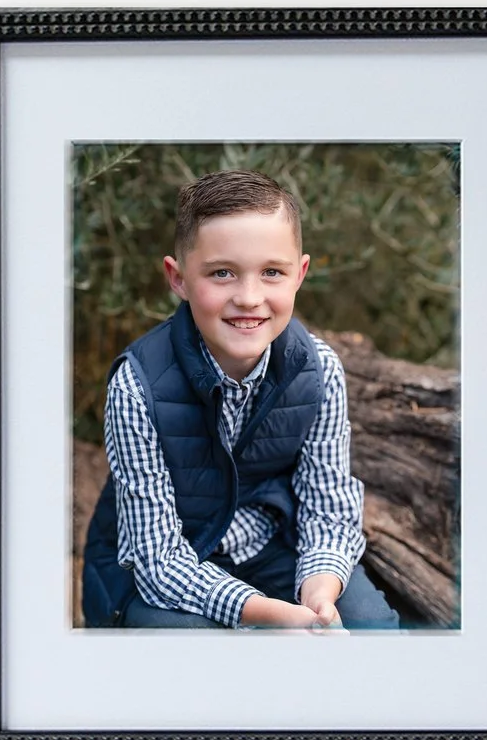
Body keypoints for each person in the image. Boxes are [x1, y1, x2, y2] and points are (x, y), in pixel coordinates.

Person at [80, 169, 399, 630]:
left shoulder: (319, 370)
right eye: (222, 273)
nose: (249, 298)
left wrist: (320, 592)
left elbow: (328, 503)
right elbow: (156, 559)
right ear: (179, 278)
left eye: (272, 272)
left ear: (300, 274)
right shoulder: (137, 384)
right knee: (204, 655)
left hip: (269, 550)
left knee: (371, 628)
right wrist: (265, 616)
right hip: (161, 572)